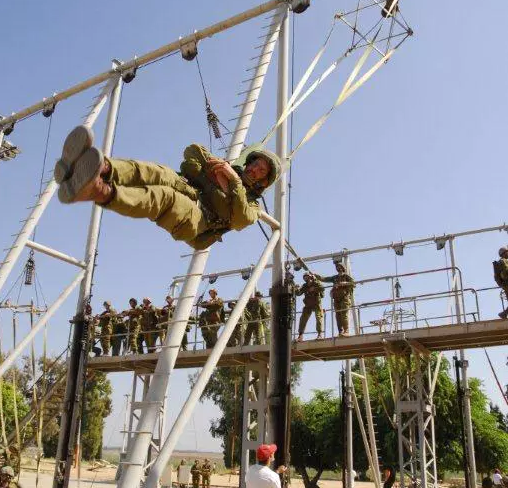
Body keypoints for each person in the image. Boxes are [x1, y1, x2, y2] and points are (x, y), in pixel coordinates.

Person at [54, 126, 281, 250]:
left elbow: (239, 219)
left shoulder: (252, 204)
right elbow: (192, 154)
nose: (253, 169)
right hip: (189, 188)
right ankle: (96, 168)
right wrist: (212, 172)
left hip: (199, 220)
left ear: (264, 181)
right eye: (254, 164)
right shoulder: (223, 168)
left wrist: (233, 182)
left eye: (261, 170)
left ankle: (98, 191)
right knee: (157, 172)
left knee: (164, 197)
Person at [316, 262, 355, 337]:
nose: (338, 268)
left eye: (340, 266)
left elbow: (353, 283)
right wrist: (317, 276)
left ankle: (346, 330)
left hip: (345, 298)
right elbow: (324, 279)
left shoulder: (346, 276)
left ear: (343, 268)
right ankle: (340, 331)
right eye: (337, 267)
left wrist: (343, 283)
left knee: (344, 314)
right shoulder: (335, 278)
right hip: (336, 298)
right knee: (338, 315)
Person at [296, 273, 325, 342]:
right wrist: (296, 288)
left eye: (307, 277)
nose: (306, 279)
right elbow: (299, 293)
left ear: (310, 277)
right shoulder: (305, 286)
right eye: (304, 277)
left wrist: (314, 288)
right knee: (303, 319)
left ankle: (319, 334)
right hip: (308, 305)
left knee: (318, 317)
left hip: (316, 304)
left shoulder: (316, 283)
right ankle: (300, 336)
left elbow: (322, 288)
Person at [493, 247, 508, 318]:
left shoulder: (500, 262)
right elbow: (505, 273)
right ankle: (504, 313)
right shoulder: (504, 261)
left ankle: (504, 313)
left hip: (505, 286)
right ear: (504, 253)